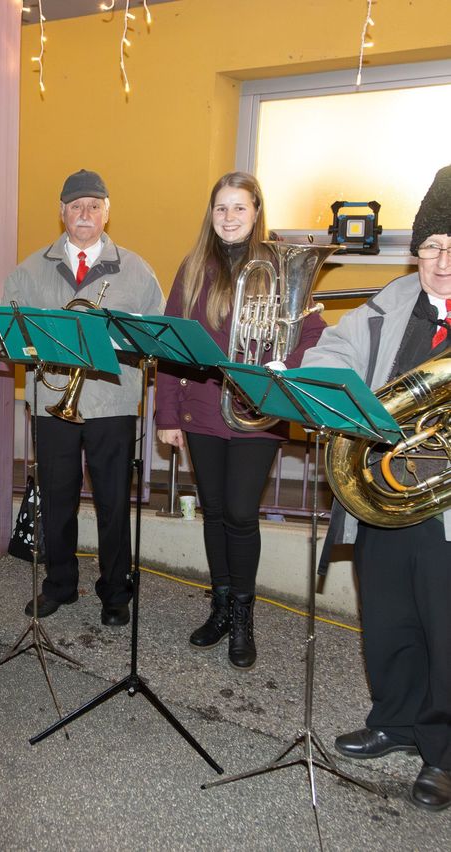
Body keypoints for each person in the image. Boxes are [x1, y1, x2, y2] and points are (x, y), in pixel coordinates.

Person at [301, 165, 451, 811]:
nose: (442, 262)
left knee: (446, 631)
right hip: (384, 500)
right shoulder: (391, 300)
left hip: (447, 512)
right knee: (389, 622)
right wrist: (340, 389)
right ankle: (393, 719)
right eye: (432, 248)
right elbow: (329, 356)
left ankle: (443, 752)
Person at [155, 171, 325, 669]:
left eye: (239, 208)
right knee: (213, 510)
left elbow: (313, 332)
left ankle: (245, 617)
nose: (229, 217)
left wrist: (287, 367)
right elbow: (170, 344)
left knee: (240, 513)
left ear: (256, 213)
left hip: (257, 412)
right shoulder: (192, 267)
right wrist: (168, 414)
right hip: (202, 409)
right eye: (221, 208)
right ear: (211, 215)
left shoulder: (278, 265)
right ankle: (221, 607)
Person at [5, 169, 165, 627]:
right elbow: (13, 333)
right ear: (62, 212)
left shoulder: (136, 269)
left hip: (111, 403)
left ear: (107, 213)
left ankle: (116, 590)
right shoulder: (31, 268)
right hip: (54, 400)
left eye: (94, 206)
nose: (85, 214)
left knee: (114, 501)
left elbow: (153, 334)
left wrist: (114, 342)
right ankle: (59, 583)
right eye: (76, 206)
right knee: (56, 498)